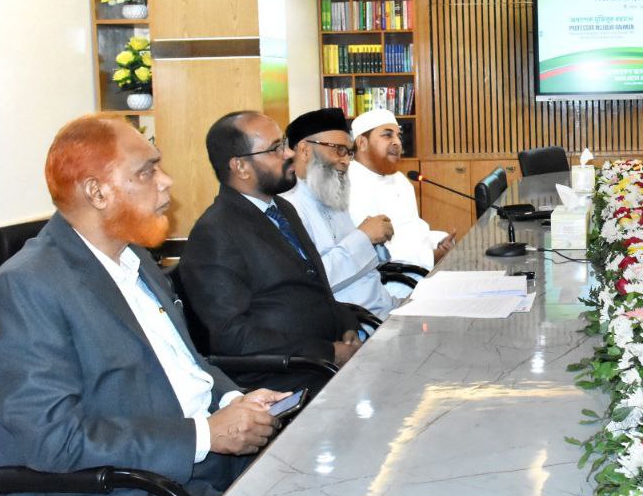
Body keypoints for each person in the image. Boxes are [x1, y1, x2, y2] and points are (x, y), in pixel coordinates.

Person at [0, 116, 286, 496]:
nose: (166, 182)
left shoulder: (134, 259)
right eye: (147, 171)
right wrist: (205, 434)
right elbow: (54, 440)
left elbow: (187, 365)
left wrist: (236, 399)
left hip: (192, 476)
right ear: (97, 192)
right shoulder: (25, 289)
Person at [180, 111, 361, 394]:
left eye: (284, 144)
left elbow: (312, 288)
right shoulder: (215, 232)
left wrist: (346, 325)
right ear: (241, 167)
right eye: (276, 148)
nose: (289, 153)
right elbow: (231, 336)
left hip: (322, 364)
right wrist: (328, 352)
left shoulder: (281, 209)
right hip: (283, 379)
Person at [282, 108, 397, 323]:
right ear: (305, 150)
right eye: (339, 150)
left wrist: (375, 240)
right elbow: (311, 280)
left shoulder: (330, 193)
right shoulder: (288, 208)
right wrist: (363, 237)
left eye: (349, 152)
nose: (346, 161)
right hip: (356, 324)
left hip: (384, 307)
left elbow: (365, 263)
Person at [348, 108, 455, 294]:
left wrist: (438, 241)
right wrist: (431, 256)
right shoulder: (351, 185)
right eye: (387, 135)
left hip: (423, 270)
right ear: (362, 143)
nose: (397, 142)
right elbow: (377, 253)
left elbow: (413, 229)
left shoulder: (399, 179)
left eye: (398, 135)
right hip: (394, 284)